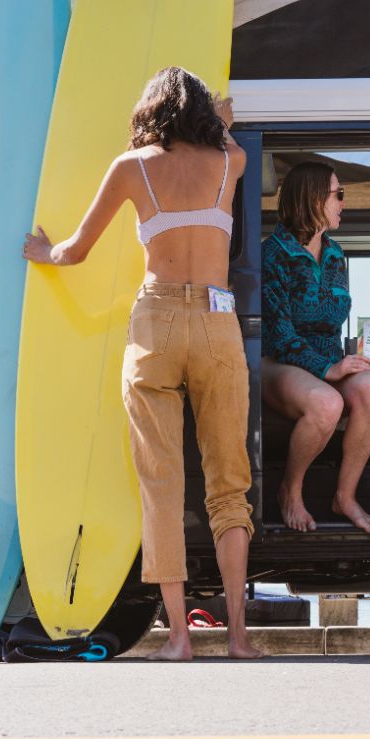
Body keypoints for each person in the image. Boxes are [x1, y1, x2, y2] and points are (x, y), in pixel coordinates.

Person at [22, 66, 259, 661]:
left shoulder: (132, 168)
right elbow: (227, 139)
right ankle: (237, 638)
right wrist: (222, 123)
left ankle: (179, 638)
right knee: (229, 484)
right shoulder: (231, 161)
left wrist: (41, 252)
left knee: (161, 485)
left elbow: (73, 252)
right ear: (203, 111)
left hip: (155, 322)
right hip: (215, 321)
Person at [260, 162, 370, 533]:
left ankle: (344, 497)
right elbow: (281, 332)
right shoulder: (274, 253)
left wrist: (358, 354)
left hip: (327, 359)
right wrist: (328, 369)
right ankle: (290, 491)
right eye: (339, 194)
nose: (344, 203)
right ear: (313, 197)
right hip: (277, 362)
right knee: (327, 402)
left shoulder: (335, 254)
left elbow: (332, 315)